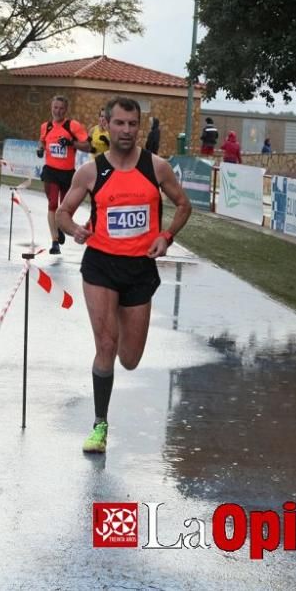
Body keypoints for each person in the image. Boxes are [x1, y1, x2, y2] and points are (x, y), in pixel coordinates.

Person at [57, 96, 192, 453]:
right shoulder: (90, 172)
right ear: (106, 123)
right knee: (105, 344)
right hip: (100, 265)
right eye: (119, 123)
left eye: (133, 124)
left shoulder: (156, 167)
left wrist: (166, 236)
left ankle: (117, 323)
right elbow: (63, 212)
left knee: (129, 358)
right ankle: (100, 425)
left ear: (139, 127)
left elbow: (184, 204)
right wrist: (73, 230)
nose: (127, 130)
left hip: (139, 269)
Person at [37, 95, 90, 254]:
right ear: (51, 108)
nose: (58, 111)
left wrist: (70, 143)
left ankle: (60, 226)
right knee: (53, 204)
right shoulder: (46, 126)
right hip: (51, 171)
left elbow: (87, 146)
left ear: (65, 110)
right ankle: (54, 242)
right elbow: (42, 141)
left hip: (67, 174)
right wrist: (40, 149)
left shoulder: (72, 125)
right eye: (55, 108)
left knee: (65, 207)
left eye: (61, 108)